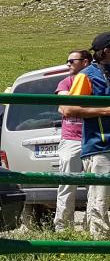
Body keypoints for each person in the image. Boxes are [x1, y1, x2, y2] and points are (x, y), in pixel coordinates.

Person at [60, 32, 110, 239]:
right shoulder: (86, 76)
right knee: (100, 200)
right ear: (107, 51)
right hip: (100, 147)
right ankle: (99, 249)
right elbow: (69, 109)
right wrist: (105, 111)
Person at [53, 49, 92, 231]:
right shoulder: (65, 82)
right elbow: (65, 108)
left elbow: (71, 105)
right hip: (71, 139)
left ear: (85, 62)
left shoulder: (94, 81)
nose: (68, 64)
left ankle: (91, 227)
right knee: (67, 183)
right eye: (67, 61)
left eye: (72, 61)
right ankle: (63, 228)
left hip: (93, 139)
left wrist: (75, 106)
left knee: (96, 186)